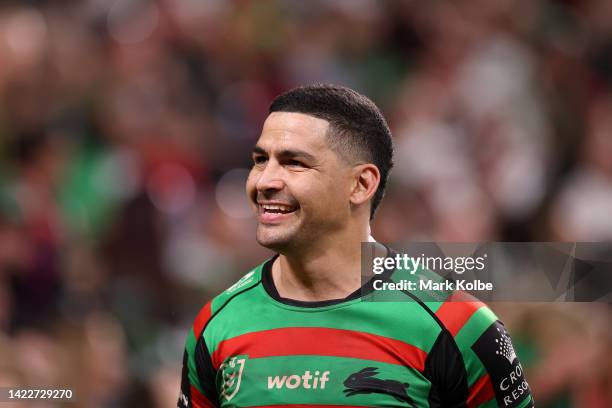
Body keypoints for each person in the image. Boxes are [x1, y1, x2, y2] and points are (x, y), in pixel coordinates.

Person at [178, 84, 534, 407]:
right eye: (260, 160)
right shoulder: (216, 325)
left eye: (294, 163)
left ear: (361, 184)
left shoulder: (457, 325)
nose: (264, 181)